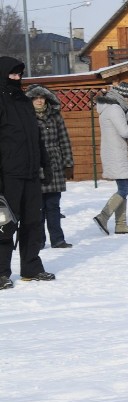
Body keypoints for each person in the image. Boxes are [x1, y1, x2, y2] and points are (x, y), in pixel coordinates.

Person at [0, 56, 54, 289]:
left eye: (19, 74)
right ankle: (1, 272)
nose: (17, 77)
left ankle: (31, 267)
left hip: (30, 172)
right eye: (12, 74)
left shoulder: (23, 100)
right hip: (8, 173)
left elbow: (36, 135)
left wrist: (45, 163)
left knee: (32, 221)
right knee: (5, 223)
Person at [25, 85, 74, 248]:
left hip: (55, 164)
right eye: (35, 98)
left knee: (53, 205)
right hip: (35, 164)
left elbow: (64, 140)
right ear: (31, 100)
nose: (39, 101)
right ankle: (38, 240)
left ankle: (58, 239)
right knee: (37, 208)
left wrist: (68, 163)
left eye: (42, 97)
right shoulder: (26, 117)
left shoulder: (55, 116)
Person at [93, 81, 128, 235]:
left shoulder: (107, 107)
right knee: (125, 189)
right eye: (127, 97)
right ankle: (103, 216)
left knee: (122, 188)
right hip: (116, 153)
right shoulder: (115, 108)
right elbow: (124, 131)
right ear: (120, 95)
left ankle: (121, 225)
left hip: (112, 152)